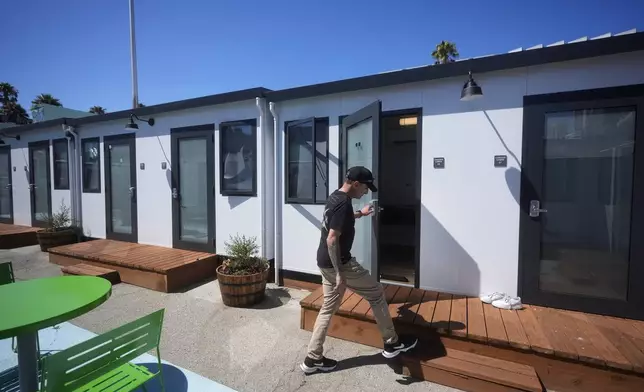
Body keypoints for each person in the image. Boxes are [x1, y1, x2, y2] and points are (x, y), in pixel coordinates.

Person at [300, 166, 418, 374]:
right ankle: (391, 343)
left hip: (324, 262)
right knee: (377, 293)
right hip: (340, 264)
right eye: (365, 187)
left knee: (328, 308)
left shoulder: (335, 198)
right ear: (355, 184)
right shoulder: (343, 204)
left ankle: (312, 358)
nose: (366, 191)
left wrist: (359, 214)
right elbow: (332, 238)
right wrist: (339, 273)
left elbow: (337, 222)